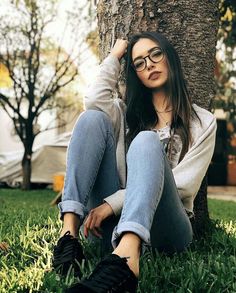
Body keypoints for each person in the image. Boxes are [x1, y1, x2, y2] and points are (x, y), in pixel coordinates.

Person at [52, 31, 217, 293]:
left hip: (168, 230)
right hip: (110, 229)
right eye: (139, 63)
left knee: (146, 142)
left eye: (155, 54)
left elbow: (184, 187)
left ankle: (127, 260)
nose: (149, 64)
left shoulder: (203, 121)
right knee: (90, 119)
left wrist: (112, 204)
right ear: (136, 74)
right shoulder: (125, 113)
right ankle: (68, 238)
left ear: (169, 58)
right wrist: (115, 55)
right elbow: (93, 101)